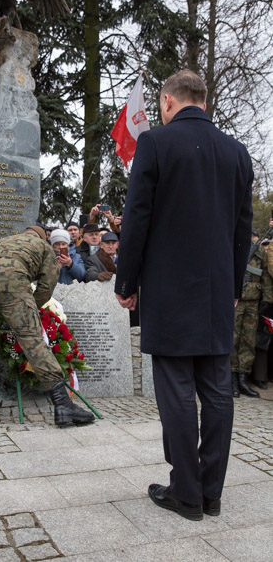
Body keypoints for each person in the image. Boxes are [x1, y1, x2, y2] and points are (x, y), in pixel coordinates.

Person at [115, 70, 253, 521]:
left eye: (161, 106)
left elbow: (137, 218)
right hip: (216, 293)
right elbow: (242, 229)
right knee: (216, 391)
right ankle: (210, 494)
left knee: (174, 388)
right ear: (204, 101)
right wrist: (233, 287)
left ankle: (186, 493)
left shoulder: (155, 143)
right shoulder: (237, 153)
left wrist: (126, 281)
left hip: (170, 290)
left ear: (169, 101)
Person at [0, 226, 94, 426]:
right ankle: (62, 405)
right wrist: (29, 310)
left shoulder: (3, 241)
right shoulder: (43, 247)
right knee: (33, 342)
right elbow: (46, 286)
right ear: (42, 237)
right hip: (12, 280)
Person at [232, 229, 273, 397]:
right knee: (233, 339)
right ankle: (231, 379)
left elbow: (265, 279)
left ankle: (243, 377)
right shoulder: (234, 249)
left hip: (253, 302)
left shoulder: (259, 254)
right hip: (236, 302)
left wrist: (267, 300)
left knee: (248, 341)